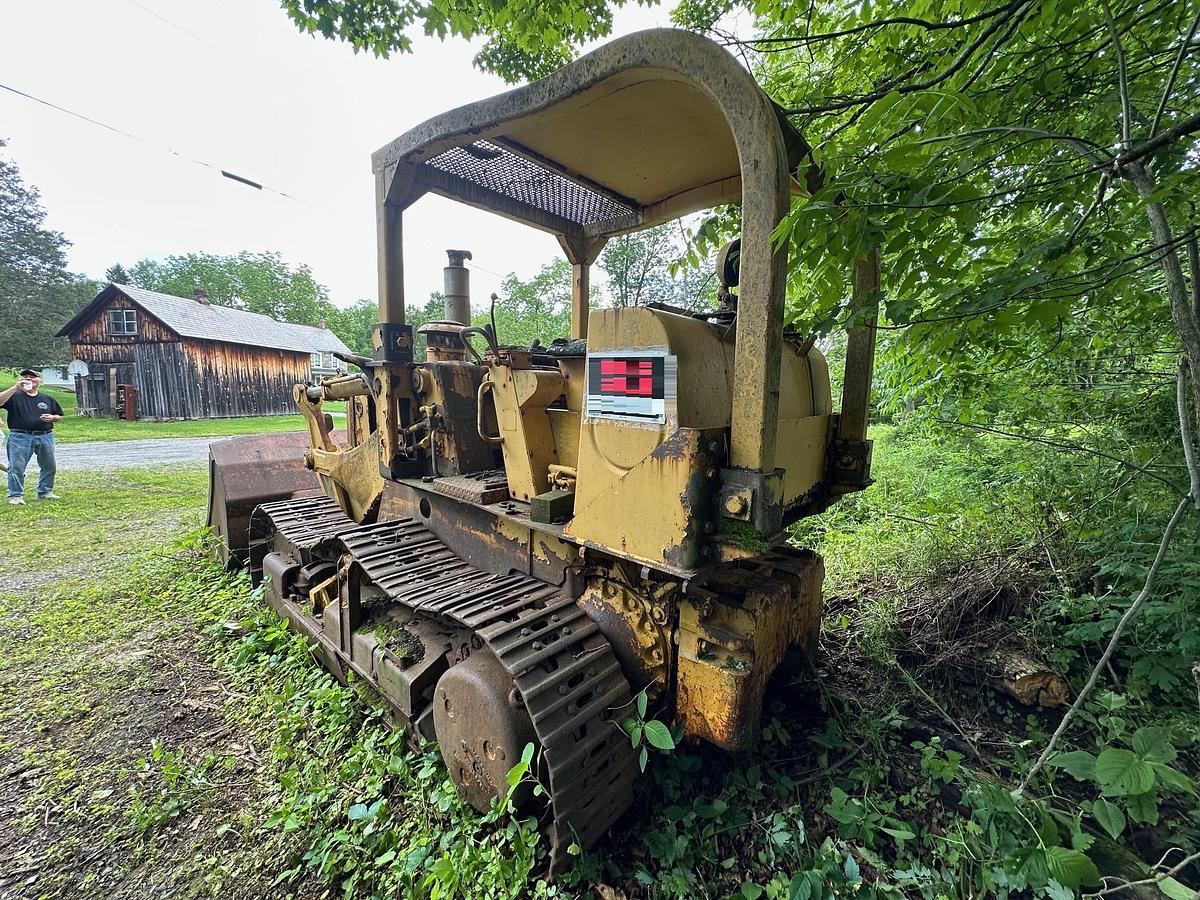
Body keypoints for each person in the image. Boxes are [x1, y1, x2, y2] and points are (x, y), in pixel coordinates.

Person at [1, 369, 64, 505]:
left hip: (45, 436)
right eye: (25, 377)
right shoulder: (14, 395)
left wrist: (52, 417)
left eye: (32, 377)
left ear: (39, 381)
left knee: (49, 466)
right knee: (16, 467)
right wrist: (14, 387)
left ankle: (45, 492)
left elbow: (59, 415)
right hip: (20, 436)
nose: (28, 379)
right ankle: (16, 496)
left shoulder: (47, 398)